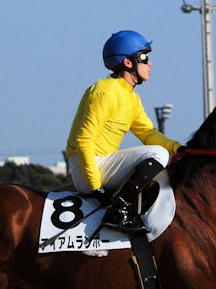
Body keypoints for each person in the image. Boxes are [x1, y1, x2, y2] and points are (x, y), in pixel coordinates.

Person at [65, 29, 181, 233]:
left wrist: (178, 149)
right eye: (144, 57)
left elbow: (148, 134)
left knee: (163, 160)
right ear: (128, 62)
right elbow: (84, 140)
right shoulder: (106, 90)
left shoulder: (131, 97)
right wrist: (95, 187)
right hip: (88, 168)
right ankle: (119, 211)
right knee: (158, 154)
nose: (149, 63)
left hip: (100, 164)